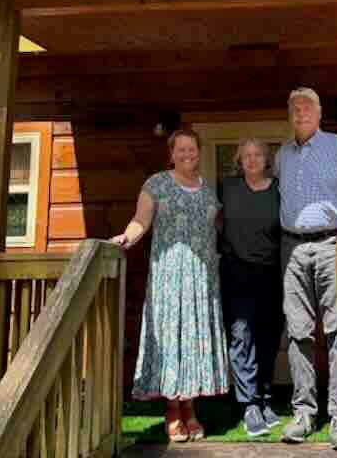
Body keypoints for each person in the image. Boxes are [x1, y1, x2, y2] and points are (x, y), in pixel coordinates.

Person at [110, 129, 229, 443]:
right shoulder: (156, 184)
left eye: (192, 149)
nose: (187, 154)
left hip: (202, 278)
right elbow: (141, 220)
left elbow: (219, 226)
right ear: (171, 153)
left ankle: (190, 408)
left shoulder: (208, 190)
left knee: (194, 340)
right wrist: (127, 237)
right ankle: (173, 409)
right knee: (172, 336)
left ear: (199, 152)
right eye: (181, 150)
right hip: (169, 275)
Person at [276, 87, 337, 450]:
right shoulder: (283, 155)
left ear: (319, 114)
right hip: (292, 248)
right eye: (294, 108)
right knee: (298, 332)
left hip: (333, 244)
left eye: (307, 108)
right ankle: (303, 414)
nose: (300, 113)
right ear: (290, 116)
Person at [219, 138, 284, 437]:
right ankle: (248, 405)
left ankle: (265, 397)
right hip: (236, 272)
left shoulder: (279, 189)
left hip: (272, 272)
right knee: (242, 336)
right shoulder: (227, 188)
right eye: (246, 155)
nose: (252, 160)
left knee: (269, 336)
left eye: (258, 155)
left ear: (266, 158)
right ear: (239, 160)